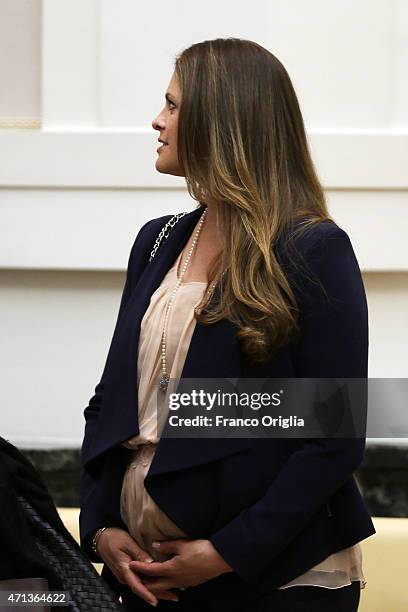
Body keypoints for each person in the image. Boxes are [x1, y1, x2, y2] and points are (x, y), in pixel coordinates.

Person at [79, 38, 376, 611]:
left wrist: (226, 552)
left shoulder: (313, 248)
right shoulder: (157, 241)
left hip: (273, 583)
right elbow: (110, 404)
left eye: (172, 106)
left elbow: (334, 437)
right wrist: (100, 529)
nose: (157, 120)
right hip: (147, 578)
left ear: (221, 122)